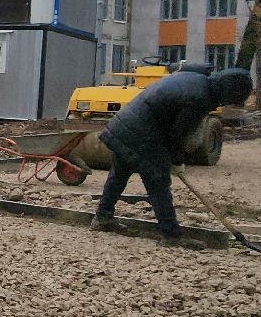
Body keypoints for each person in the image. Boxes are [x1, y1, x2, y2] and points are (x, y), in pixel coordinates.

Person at [90, 67, 252, 249]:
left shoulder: (197, 79)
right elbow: (178, 134)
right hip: (143, 131)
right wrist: (176, 161)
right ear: (229, 93)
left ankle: (102, 218)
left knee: (120, 173)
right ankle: (171, 235)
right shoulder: (200, 99)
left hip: (127, 121)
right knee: (158, 180)